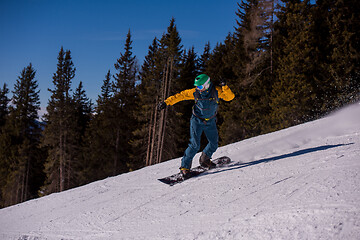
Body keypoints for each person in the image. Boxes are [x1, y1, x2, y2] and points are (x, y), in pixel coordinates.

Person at [157, 74, 235, 178]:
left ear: (207, 85)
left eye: (200, 87)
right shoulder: (195, 92)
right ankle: (185, 168)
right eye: (197, 87)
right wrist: (166, 103)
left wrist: (225, 86)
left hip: (210, 121)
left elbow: (230, 97)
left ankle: (205, 159)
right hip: (197, 121)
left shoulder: (216, 91)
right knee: (194, 145)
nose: (198, 89)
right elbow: (180, 95)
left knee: (214, 143)